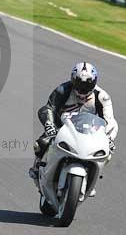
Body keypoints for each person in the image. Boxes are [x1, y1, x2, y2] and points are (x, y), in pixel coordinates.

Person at [29, 62, 118, 195]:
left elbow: (110, 121)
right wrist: (50, 126)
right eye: (79, 83)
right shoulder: (63, 90)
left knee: (107, 153)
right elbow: (48, 108)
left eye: (87, 84)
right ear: (73, 80)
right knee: (41, 143)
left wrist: (108, 138)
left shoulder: (102, 97)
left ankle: (91, 179)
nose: (82, 88)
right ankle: (37, 168)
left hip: (89, 133)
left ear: (94, 82)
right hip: (61, 128)